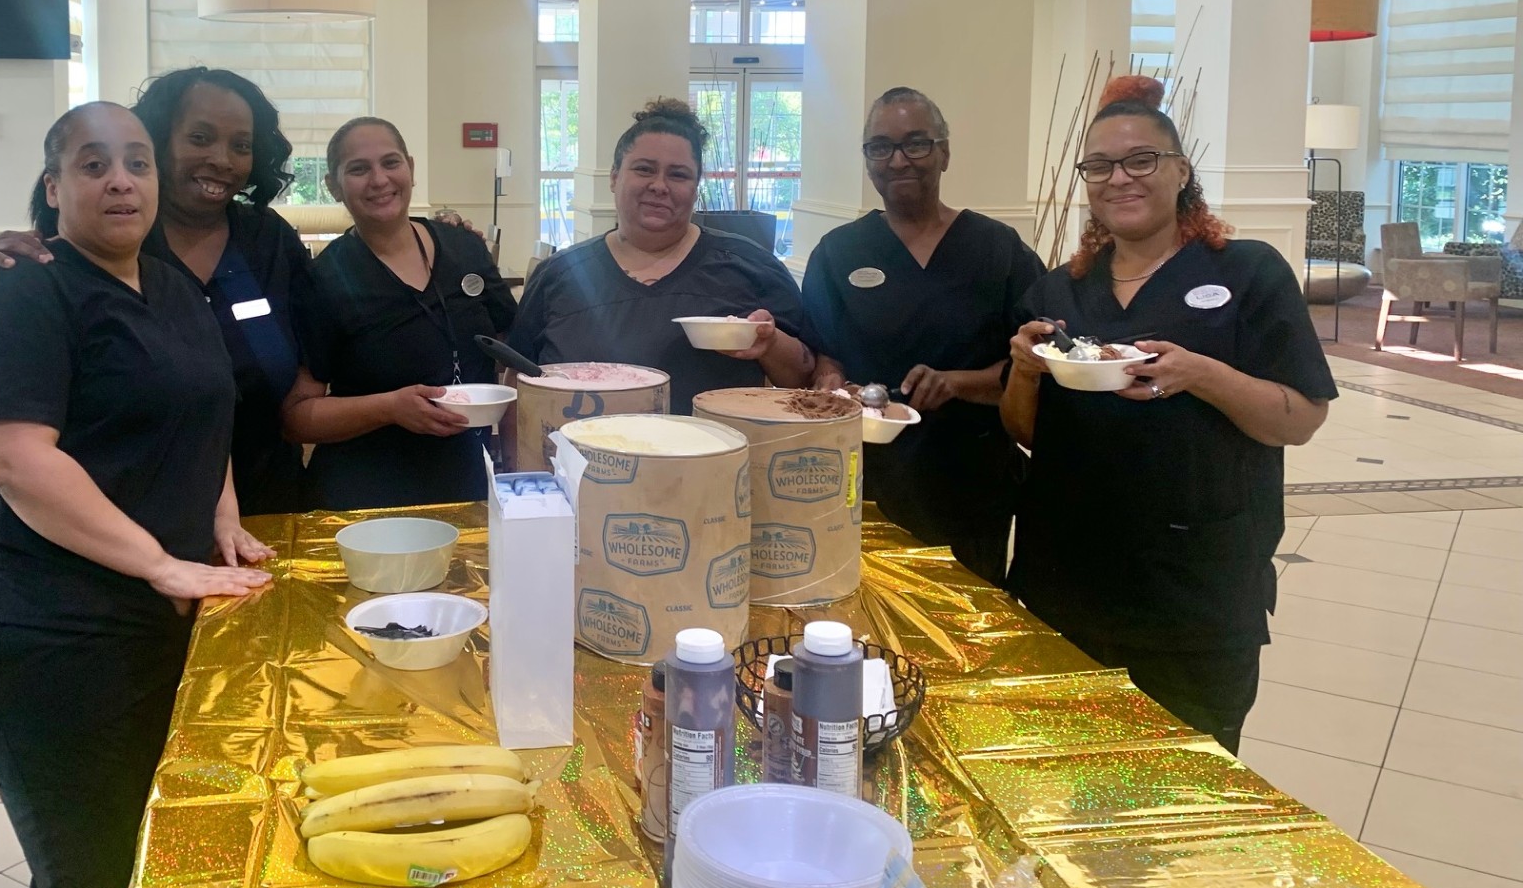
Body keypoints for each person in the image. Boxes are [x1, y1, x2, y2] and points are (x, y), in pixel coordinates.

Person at [0, 102, 276, 888]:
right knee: (86, 881)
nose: (120, 179)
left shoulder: (165, 285)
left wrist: (221, 518)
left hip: (152, 619)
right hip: (44, 629)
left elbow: (207, 411)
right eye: (93, 165)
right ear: (54, 189)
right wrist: (164, 562)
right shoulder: (19, 293)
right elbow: (14, 459)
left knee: (156, 854)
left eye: (136, 162)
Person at [1000, 76, 1334, 753]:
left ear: (1181, 171)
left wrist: (1199, 373)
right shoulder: (1061, 289)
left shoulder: (1248, 273)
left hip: (1195, 594)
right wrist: (1026, 374)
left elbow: (1298, 418)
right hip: (1066, 584)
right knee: (1061, 778)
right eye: (1100, 166)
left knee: (1185, 790)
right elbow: (1027, 432)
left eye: (1141, 160)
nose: (1120, 178)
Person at [0, 68, 312, 513]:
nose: (222, 159)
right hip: (124, 506)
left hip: (268, 488)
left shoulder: (269, 240)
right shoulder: (109, 244)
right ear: (156, 143)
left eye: (241, 145)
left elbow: (321, 334)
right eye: (200, 138)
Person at [805, 88, 1043, 583]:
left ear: (945, 152)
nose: (898, 161)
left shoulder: (997, 250)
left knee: (969, 633)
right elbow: (824, 353)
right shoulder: (839, 252)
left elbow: (1035, 362)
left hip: (971, 480)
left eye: (916, 144)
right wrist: (830, 381)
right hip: (869, 479)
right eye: (880, 147)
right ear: (867, 159)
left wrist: (959, 383)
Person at [507, 97, 815, 414]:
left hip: (713, 458)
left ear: (696, 188)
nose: (659, 186)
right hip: (577, 460)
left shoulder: (752, 265)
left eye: (678, 175)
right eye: (644, 169)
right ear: (614, 178)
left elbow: (804, 378)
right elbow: (517, 378)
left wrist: (771, 342)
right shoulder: (559, 274)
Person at [283, 117, 517, 508]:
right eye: (359, 169)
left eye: (391, 163)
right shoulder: (323, 280)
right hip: (363, 494)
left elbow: (512, 348)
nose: (379, 180)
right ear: (333, 186)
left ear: (410, 167)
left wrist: (513, 450)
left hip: (464, 480)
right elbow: (296, 416)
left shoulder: (464, 249)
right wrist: (389, 408)